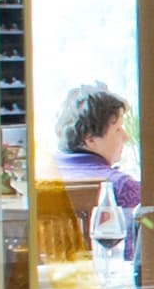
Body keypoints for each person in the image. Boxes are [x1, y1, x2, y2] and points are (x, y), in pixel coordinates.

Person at [49, 84, 144, 213]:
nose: (125, 137)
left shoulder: (40, 177)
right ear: (90, 138)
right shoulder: (122, 187)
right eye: (117, 130)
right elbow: (153, 225)